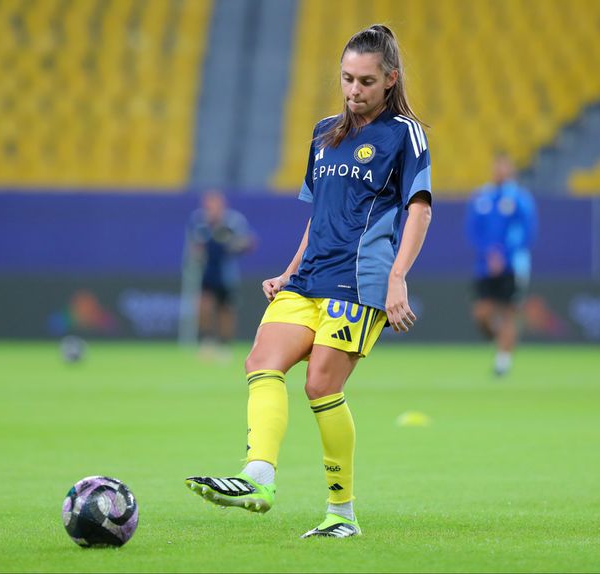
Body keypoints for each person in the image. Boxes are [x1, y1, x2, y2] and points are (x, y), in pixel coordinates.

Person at [185, 24, 432, 539]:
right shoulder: (324, 133)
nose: (353, 90)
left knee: (320, 384)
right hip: (309, 277)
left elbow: (419, 209)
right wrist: (289, 270)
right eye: (347, 78)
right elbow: (318, 216)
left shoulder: (404, 133)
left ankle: (341, 514)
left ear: (390, 79)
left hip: (359, 281)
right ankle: (257, 477)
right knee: (260, 361)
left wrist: (398, 278)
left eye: (366, 81)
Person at [466, 153, 537, 377]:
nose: (499, 170)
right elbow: (473, 231)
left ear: (511, 169)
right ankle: (500, 339)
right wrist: (489, 253)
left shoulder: (520, 198)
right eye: (496, 166)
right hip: (484, 265)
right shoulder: (481, 197)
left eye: (503, 166)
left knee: (508, 312)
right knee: (481, 313)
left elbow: (526, 232)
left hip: (512, 265)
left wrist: (503, 255)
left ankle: (503, 362)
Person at [186, 190, 254, 359]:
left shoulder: (233, 221)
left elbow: (248, 242)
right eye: (209, 205)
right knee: (204, 305)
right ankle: (207, 341)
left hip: (226, 272)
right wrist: (197, 253)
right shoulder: (199, 221)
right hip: (206, 271)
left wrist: (233, 244)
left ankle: (225, 345)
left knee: (226, 309)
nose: (212, 209)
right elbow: (194, 245)